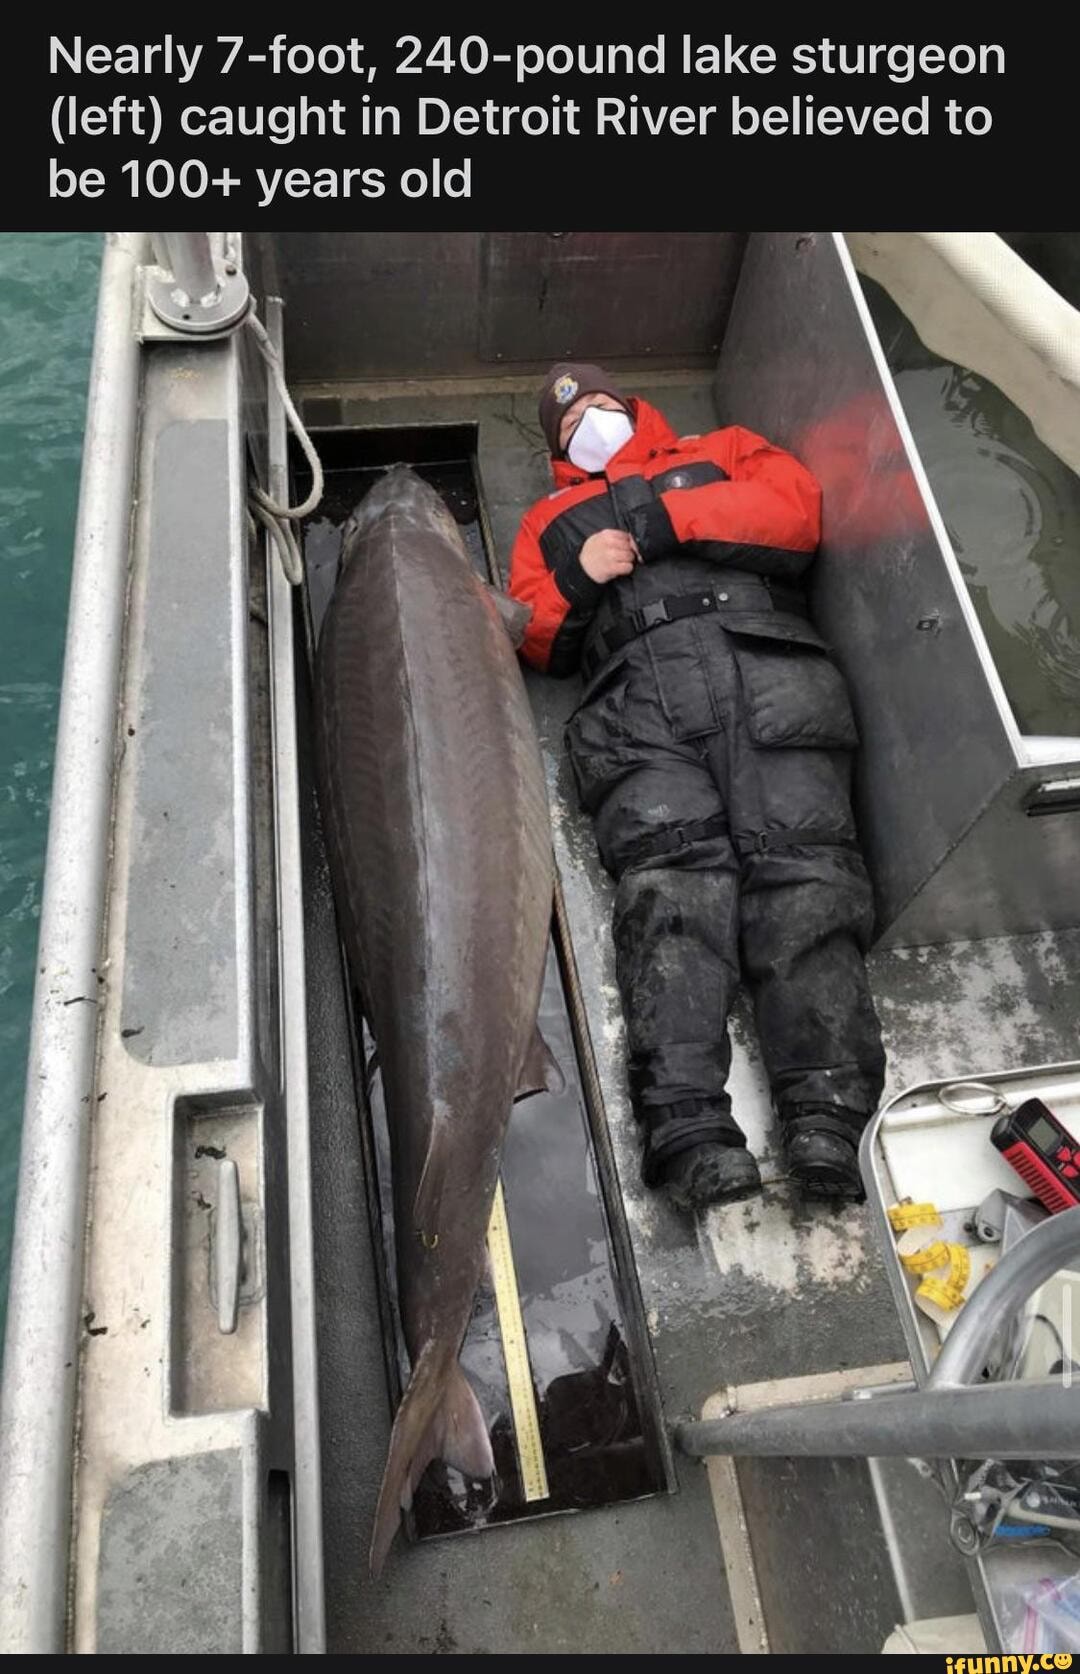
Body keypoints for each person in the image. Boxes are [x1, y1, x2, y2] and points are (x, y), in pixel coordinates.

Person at [508, 363, 886, 1213]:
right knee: (671, 892)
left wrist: (666, 516)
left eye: (600, 405)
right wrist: (579, 578)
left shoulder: (722, 451)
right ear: (554, 455)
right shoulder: (548, 518)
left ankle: (827, 1115)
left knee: (806, 874)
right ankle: (688, 1131)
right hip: (636, 703)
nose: (588, 422)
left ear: (633, 407)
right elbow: (532, 633)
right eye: (568, 427)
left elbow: (795, 516)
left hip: (766, 673)